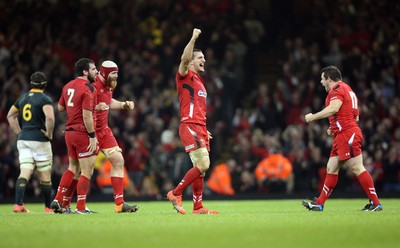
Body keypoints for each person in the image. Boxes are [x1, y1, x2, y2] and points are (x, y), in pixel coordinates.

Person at [57, 60, 139, 213]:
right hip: (89, 132)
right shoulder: (92, 85)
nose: (116, 76)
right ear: (105, 73)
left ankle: (119, 203)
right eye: (114, 73)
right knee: (80, 170)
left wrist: (123, 105)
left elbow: (107, 102)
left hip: (104, 132)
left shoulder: (108, 85)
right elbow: (80, 107)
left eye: (117, 73)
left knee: (118, 160)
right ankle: (67, 203)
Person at [302, 65, 382, 211]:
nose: (321, 82)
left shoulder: (337, 89)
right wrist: (334, 127)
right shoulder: (349, 90)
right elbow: (355, 116)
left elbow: (334, 108)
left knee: (357, 167)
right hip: (344, 133)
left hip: (347, 134)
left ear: (329, 79)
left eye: (322, 79)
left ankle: (376, 203)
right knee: (331, 167)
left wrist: (313, 117)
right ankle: (319, 203)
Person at [166, 28, 219, 215]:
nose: (203, 60)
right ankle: (175, 193)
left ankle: (197, 207)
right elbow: (184, 59)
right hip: (189, 126)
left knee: (201, 169)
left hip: (200, 127)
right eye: (200, 58)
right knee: (204, 164)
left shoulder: (199, 81)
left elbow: (198, 108)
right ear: (191, 62)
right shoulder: (184, 75)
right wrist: (193, 38)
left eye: (204, 58)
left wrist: (205, 128)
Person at [50, 58, 99, 214]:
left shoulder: (67, 86)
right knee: (86, 171)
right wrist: (92, 136)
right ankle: (81, 207)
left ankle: (60, 201)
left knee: (73, 168)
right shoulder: (88, 88)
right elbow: (87, 117)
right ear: (85, 72)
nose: (96, 71)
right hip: (82, 132)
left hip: (69, 133)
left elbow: (60, 107)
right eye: (93, 69)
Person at [7, 71, 55, 213]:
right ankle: (47, 207)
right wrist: (49, 133)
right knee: (45, 175)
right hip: (39, 140)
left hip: (24, 140)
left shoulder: (22, 98)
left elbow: (10, 116)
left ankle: (18, 204)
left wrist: (19, 132)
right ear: (44, 85)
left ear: (31, 84)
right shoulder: (44, 99)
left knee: (25, 172)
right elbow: (50, 118)